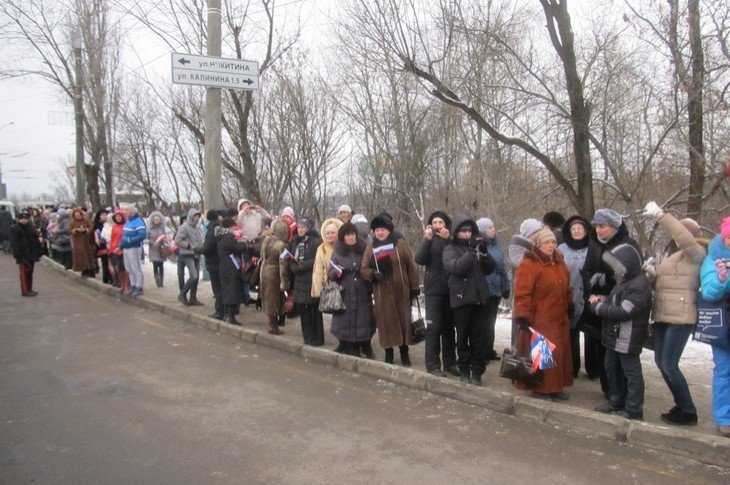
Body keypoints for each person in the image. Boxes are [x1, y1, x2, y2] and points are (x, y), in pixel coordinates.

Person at [641, 201, 704, 425]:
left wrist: (661, 216)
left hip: (681, 318)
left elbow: (684, 237)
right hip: (663, 315)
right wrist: (652, 272)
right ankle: (680, 405)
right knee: (661, 362)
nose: (678, 235)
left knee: (669, 364)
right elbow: (665, 281)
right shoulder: (673, 256)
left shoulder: (697, 253)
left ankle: (688, 411)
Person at [581, 208, 641, 396]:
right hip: (600, 303)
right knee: (605, 353)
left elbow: (630, 275)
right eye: (596, 226)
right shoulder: (596, 243)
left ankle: (621, 396)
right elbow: (588, 268)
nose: (598, 230)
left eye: (603, 226)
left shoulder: (627, 245)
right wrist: (591, 283)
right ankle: (611, 392)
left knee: (619, 356)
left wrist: (607, 281)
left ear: (614, 226)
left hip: (620, 305)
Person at [591, 243, 650, 420]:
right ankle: (616, 400)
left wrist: (599, 308)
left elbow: (625, 311)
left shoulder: (639, 285)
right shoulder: (624, 280)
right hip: (615, 335)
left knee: (631, 373)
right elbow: (616, 301)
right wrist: (603, 299)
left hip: (628, 335)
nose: (615, 270)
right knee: (612, 368)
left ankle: (633, 409)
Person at [513, 226, 573, 399]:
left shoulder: (559, 262)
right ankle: (542, 388)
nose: (550, 245)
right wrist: (522, 314)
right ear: (538, 244)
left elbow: (567, 287)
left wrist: (570, 304)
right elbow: (522, 293)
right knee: (544, 353)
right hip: (540, 317)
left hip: (559, 316)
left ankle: (556, 387)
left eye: (553, 242)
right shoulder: (529, 264)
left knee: (559, 353)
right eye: (546, 242)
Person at [442, 216, 496, 385]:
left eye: (470, 231)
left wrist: (484, 253)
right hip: (462, 299)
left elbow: (490, 269)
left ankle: (477, 371)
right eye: (463, 231)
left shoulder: (477, 247)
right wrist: (471, 252)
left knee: (479, 338)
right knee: (462, 337)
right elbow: (455, 267)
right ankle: (464, 369)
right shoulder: (450, 248)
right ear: (456, 232)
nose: (467, 234)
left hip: (479, 298)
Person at [361, 213, 419, 367]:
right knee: (386, 324)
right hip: (382, 294)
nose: (380, 232)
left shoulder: (400, 244)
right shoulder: (371, 247)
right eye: (377, 230)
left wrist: (414, 287)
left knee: (404, 322)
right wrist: (373, 274)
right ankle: (389, 353)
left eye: (383, 229)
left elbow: (411, 266)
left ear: (389, 230)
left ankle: (404, 352)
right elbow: (363, 269)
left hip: (402, 292)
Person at [416, 210, 457, 377]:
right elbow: (419, 259)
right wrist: (427, 239)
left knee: (449, 328)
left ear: (446, 225)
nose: (437, 225)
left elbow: (455, 257)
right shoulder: (429, 239)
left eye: (440, 222)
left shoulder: (451, 240)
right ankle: (432, 364)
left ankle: (450, 363)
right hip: (433, 290)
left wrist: (448, 239)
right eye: (434, 222)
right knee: (433, 328)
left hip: (450, 289)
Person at [699, 217, 730, 437]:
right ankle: (725, 418)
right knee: (724, 371)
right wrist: (722, 279)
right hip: (724, 328)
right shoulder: (713, 259)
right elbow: (709, 292)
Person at [328, 222, 374, 356]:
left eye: (352, 234)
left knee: (363, 319)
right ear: (343, 237)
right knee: (344, 319)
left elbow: (370, 267)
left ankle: (364, 345)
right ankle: (345, 343)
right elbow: (330, 273)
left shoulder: (364, 249)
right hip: (345, 291)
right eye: (347, 235)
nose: (350, 237)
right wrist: (336, 272)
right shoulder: (338, 252)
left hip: (362, 290)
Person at [558, 215, 591, 377]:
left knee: (589, 333)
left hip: (588, 296)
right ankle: (570, 367)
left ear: (586, 231)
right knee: (569, 333)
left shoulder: (592, 247)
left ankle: (593, 368)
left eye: (580, 228)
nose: (577, 231)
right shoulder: (561, 249)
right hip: (567, 295)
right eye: (573, 229)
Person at [284, 217, 323, 346]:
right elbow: (289, 258)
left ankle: (317, 338)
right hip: (298, 281)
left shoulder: (316, 242)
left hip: (312, 280)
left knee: (314, 311)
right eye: (299, 227)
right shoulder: (294, 241)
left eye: (304, 227)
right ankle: (307, 337)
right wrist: (293, 267)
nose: (301, 230)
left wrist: (303, 266)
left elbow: (318, 259)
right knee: (303, 311)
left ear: (309, 228)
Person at [477, 217, 510, 361]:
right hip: (484, 289)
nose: (493, 230)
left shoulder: (496, 246)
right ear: (482, 231)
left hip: (496, 290)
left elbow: (502, 268)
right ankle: (481, 352)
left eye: (493, 227)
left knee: (491, 322)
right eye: (489, 228)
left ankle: (489, 349)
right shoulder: (479, 246)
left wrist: (506, 286)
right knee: (483, 323)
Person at [216, 210, 249, 325]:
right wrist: (244, 243)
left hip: (224, 266)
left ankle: (227, 314)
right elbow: (237, 248)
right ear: (230, 227)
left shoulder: (220, 236)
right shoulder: (229, 237)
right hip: (230, 267)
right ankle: (230, 316)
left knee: (227, 290)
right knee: (232, 291)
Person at [260, 219, 290, 334]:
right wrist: (284, 283)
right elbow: (283, 265)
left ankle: (271, 323)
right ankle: (274, 326)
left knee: (268, 298)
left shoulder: (266, 240)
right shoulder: (281, 245)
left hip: (264, 271)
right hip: (274, 273)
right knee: (274, 299)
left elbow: (262, 256)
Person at [175, 208, 204, 306]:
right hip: (187, 254)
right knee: (194, 276)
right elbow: (178, 240)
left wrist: (202, 248)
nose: (197, 218)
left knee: (197, 278)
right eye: (195, 216)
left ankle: (193, 298)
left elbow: (200, 240)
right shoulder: (184, 227)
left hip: (197, 254)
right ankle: (182, 294)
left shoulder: (198, 228)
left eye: (198, 216)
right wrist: (189, 246)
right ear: (191, 216)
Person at [312, 217, 345, 302]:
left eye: (333, 233)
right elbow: (318, 271)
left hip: (344, 287)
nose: (330, 235)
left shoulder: (344, 247)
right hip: (328, 288)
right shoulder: (321, 249)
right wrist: (318, 291)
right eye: (327, 233)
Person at [10, 209, 42, 296]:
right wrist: (17, 255)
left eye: (25, 218)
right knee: (24, 273)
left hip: (31, 253)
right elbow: (14, 243)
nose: (24, 220)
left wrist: (38, 250)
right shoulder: (15, 228)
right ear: (18, 219)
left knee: (30, 272)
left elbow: (35, 239)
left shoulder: (31, 227)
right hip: (22, 254)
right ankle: (25, 291)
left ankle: (30, 288)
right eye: (22, 218)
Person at [120, 206, 147, 297]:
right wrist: (121, 244)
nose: (125, 212)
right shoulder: (128, 221)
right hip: (126, 247)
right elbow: (124, 234)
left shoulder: (138, 221)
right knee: (129, 268)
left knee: (136, 267)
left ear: (132, 212)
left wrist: (130, 240)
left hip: (134, 247)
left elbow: (142, 235)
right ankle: (133, 285)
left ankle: (139, 287)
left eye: (127, 210)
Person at [203, 210, 224, 319]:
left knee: (217, 289)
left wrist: (198, 249)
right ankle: (224, 310)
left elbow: (208, 247)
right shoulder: (220, 228)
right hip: (220, 261)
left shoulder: (212, 229)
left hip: (213, 262)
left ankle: (219, 312)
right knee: (222, 287)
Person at [70, 208, 97, 277]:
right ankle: (83, 270)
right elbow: (70, 230)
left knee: (88, 255)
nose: (78, 217)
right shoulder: (72, 222)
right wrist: (75, 230)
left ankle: (90, 270)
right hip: (77, 241)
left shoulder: (86, 220)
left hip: (86, 240)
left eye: (79, 215)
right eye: (76, 215)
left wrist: (86, 230)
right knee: (80, 256)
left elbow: (91, 227)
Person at [107, 211, 129, 292]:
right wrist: (110, 250)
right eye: (117, 217)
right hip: (114, 250)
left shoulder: (126, 226)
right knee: (118, 268)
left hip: (123, 250)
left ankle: (126, 285)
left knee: (124, 268)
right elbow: (112, 239)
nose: (118, 218)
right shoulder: (114, 227)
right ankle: (122, 284)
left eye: (120, 216)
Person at [147, 211, 170, 288]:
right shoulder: (150, 229)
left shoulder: (162, 228)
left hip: (161, 249)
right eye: (155, 219)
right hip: (153, 249)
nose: (156, 221)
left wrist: (164, 241)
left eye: (158, 219)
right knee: (155, 265)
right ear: (152, 220)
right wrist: (152, 242)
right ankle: (157, 279)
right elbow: (146, 239)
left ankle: (161, 281)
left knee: (161, 265)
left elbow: (166, 237)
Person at [93, 209, 113, 284]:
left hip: (110, 245)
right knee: (105, 262)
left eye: (105, 215)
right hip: (102, 246)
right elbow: (95, 235)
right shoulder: (96, 225)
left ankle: (111, 277)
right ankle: (106, 278)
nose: (104, 216)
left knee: (110, 262)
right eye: (102, 215)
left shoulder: (109, 224)